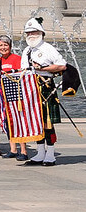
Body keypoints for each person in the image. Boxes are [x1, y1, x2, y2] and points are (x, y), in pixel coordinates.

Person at [20, 17, 68, 166]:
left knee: (48, 123)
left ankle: (51, 154)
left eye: (34, 32)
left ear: (40, 32)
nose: (31, 35)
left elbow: (62, 66)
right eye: (28, 33)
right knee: (36, 122)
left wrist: (42, 69)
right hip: (30, 88)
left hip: (45, 88)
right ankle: (40, 152)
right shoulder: (27, 50)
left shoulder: (48, 48)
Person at [0, 35, 27, 160]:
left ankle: (23, 151)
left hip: (16, 97)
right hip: (3, 97)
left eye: (6, 45)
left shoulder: (17, 59)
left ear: (10, 46)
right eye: (1, 45)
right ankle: (13, 149)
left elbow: (23, 77)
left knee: (19, 123)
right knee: (8, 122)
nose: (3, 48)